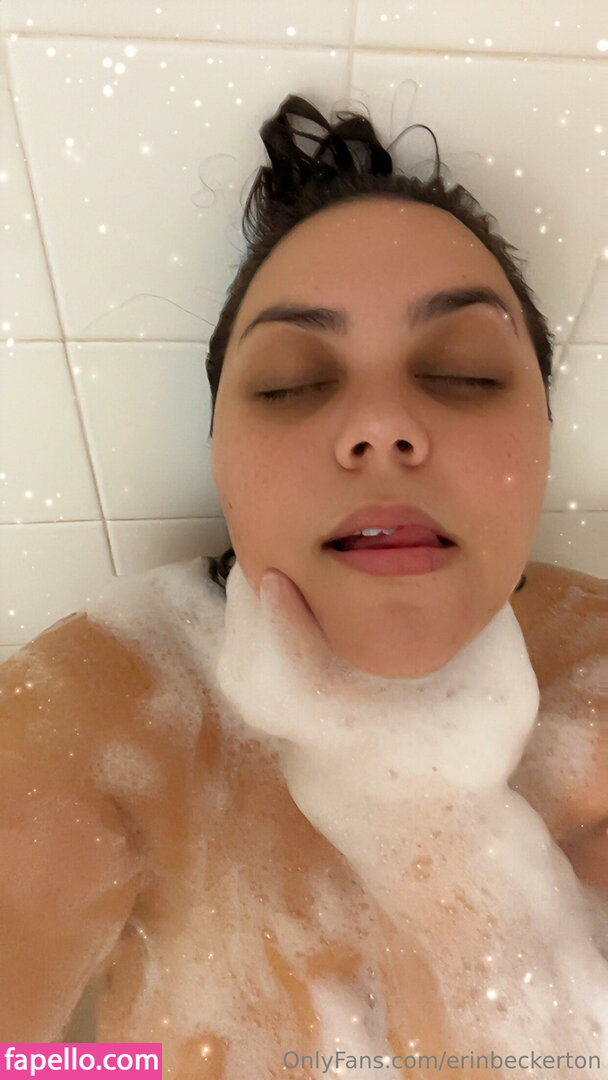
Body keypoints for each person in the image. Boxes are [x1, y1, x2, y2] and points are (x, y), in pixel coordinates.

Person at [0, 95, 605, 1077]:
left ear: (544, 435)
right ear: (221, 459)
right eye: (290, 382)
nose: (379, 425)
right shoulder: (97, 726)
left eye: (463, 372)